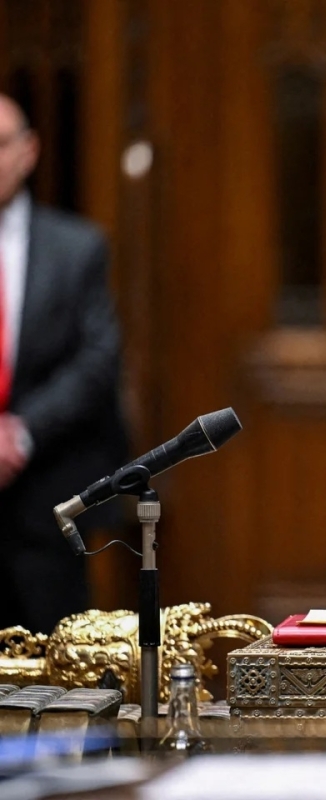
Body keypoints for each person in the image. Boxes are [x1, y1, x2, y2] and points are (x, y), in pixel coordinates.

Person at [0, 93, 129, 634]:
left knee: (57, 657)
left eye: (0, 144)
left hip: (46, 495)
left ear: (29, 151)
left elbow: (98, 359)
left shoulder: (77, 247)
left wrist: (20, 433)